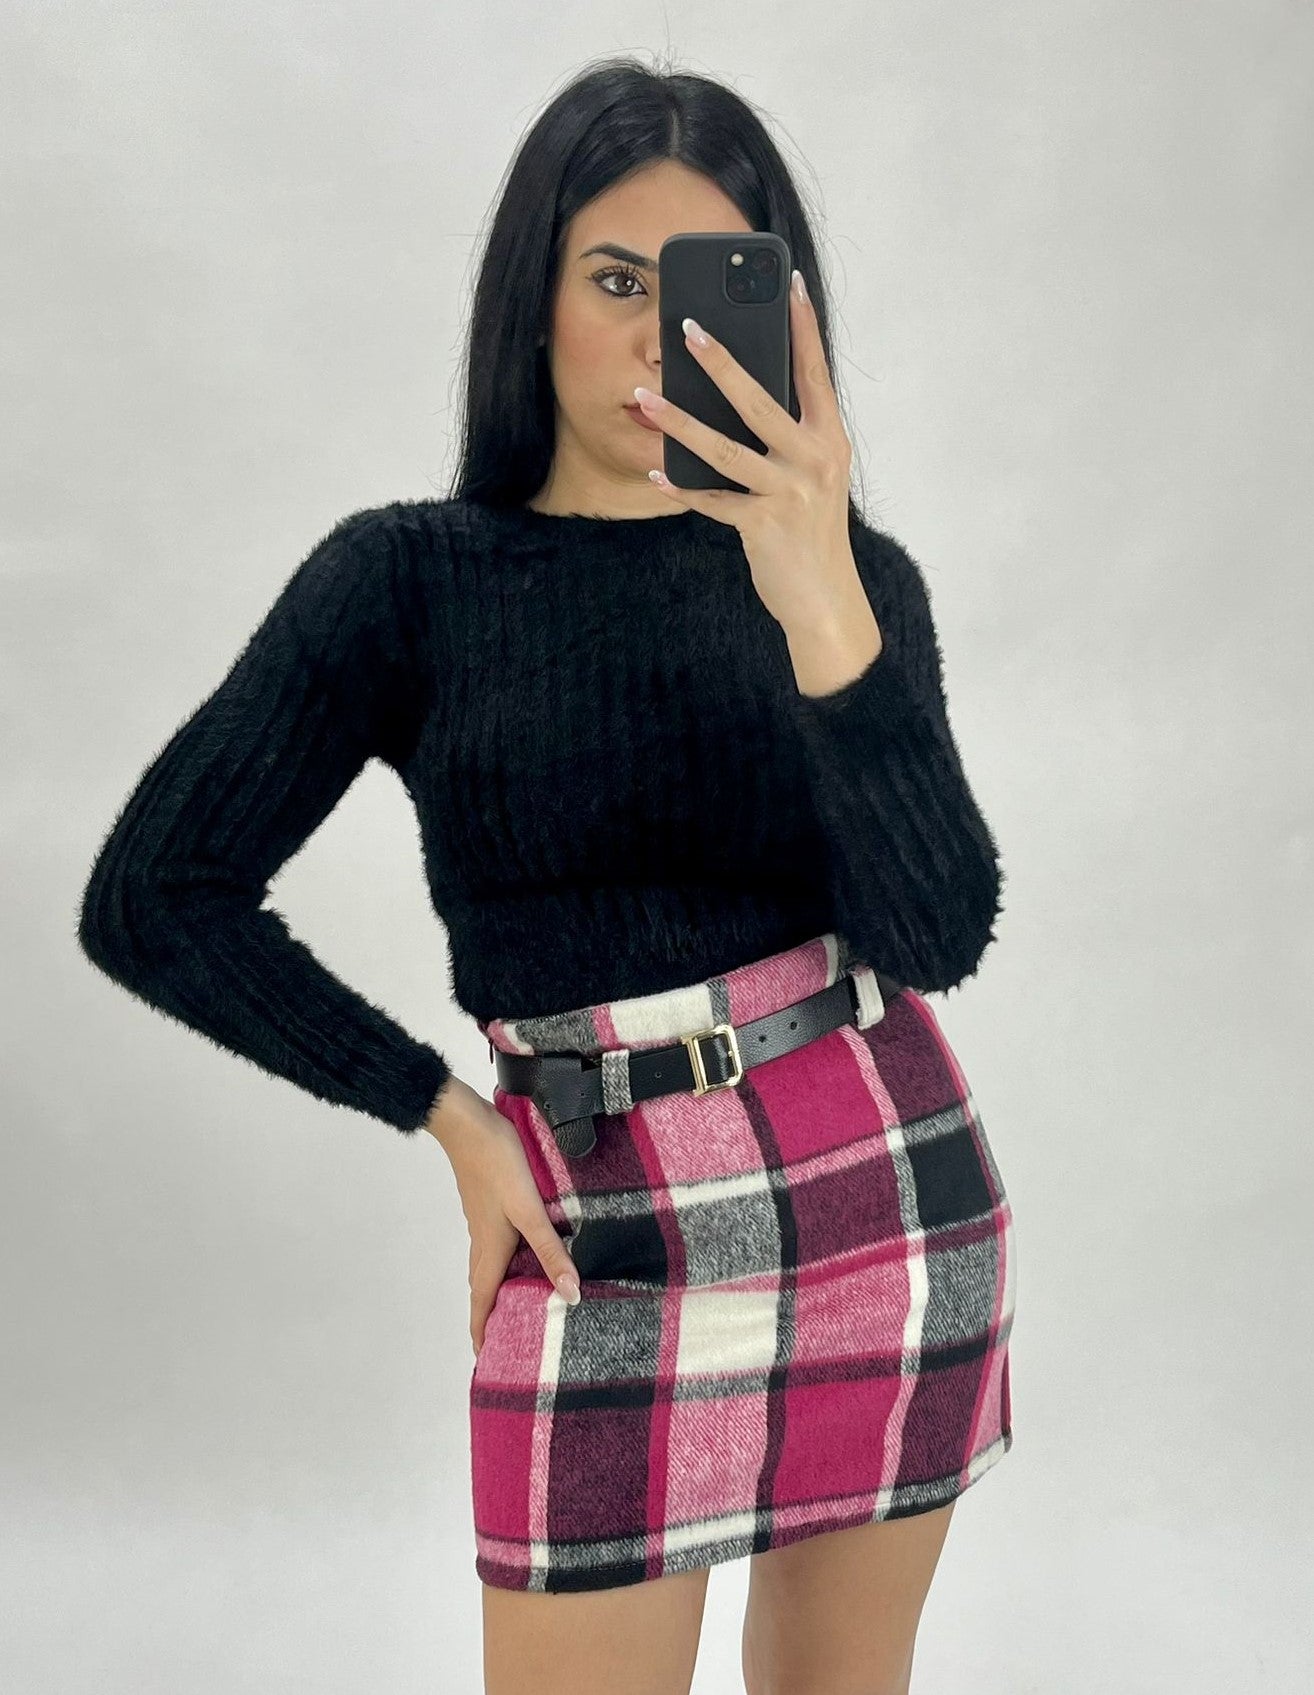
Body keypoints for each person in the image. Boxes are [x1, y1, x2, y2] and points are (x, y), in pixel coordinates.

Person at [76, 54, 1016, 1695]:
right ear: (534, 296)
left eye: (703, 288)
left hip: (882, 1189)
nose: (658, 337)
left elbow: (938, 931)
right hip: (597, 1229)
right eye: (613, 280)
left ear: (781, 316)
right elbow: (155, 892)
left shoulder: (856, 584)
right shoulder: (407, 583)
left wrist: (813, 588)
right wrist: (442, 1113)